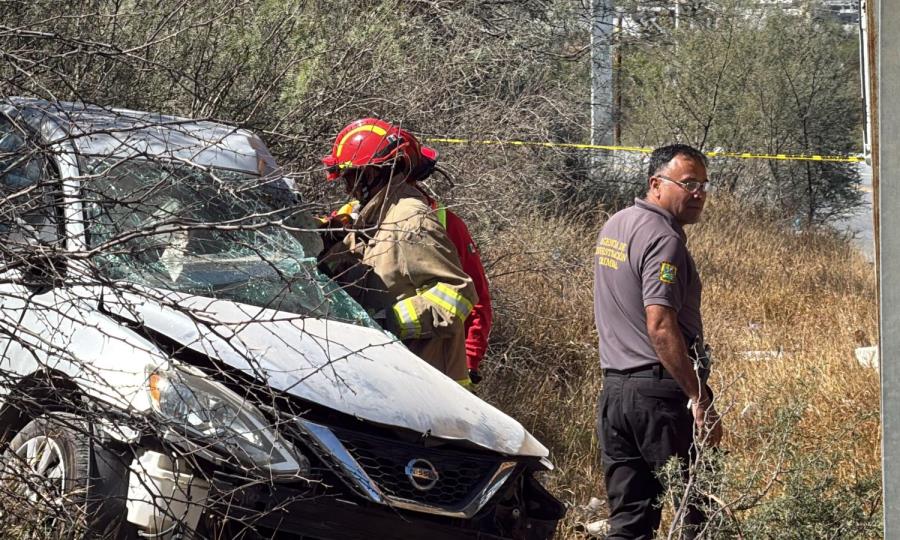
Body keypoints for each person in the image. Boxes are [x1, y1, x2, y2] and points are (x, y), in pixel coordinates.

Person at [593, 144, 723, 539]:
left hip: (615, 394)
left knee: (629, 521)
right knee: (700, 506)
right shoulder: (664, 238)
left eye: (703, 184)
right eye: (687, 184)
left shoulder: (616, 224)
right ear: (656, 184)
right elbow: (660, 324)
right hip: (660, 396)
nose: (698, 193)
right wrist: (698, 396)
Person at [318, 118, 478, 386]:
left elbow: (457, 292)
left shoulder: (410, 220)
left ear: (373, 173)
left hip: (430, 385)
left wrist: (390, 321)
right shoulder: (376, 217)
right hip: (397, 376)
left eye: (350, 177)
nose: (348, 188)